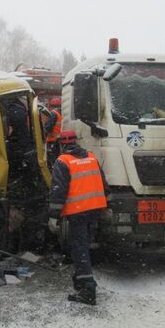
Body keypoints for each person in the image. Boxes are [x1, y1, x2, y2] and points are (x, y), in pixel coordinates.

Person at [48, 130, 111, 305]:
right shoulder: (91, 157)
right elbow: (104, 183)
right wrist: (108, 205)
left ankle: (88, 290)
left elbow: (58, 191)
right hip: (95, 210)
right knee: (85, 246)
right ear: (76, 141)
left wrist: (53, 217)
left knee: (79, 249)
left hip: (78, 212)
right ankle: (80, 280)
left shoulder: (63, 161)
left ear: (61, 143)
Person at [45, 97, 63, 167]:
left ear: (51, 105)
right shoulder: (60, 114)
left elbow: (48, 127)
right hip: (58, 140)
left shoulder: (53, 113)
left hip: (52, 140)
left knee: (52, 159)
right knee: (57, 157)